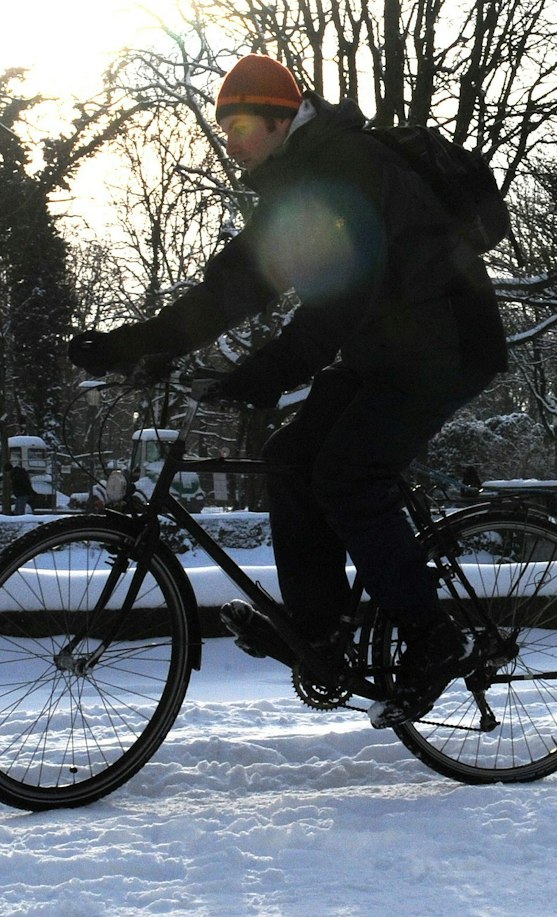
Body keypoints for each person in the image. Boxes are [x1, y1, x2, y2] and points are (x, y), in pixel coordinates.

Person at [66, 54, 507, 724]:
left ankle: (434, 641)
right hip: (384, 351)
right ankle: (321, 630)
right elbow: (235, 285)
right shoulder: (297, 183)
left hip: (446, 345)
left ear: (281, 120)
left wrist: (275, 368)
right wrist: (140, 343)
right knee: (290, 458)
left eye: (241, 123)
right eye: (223, 128)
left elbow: (345, 292)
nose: (230, 140)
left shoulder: (346, 167)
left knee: (349, 479)